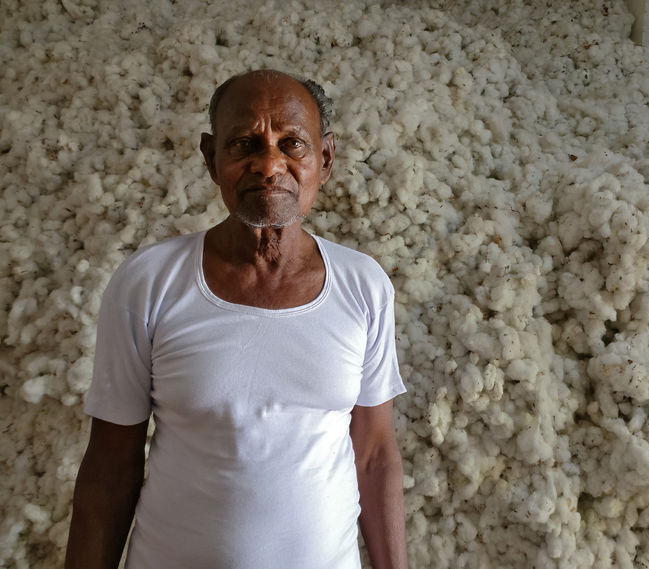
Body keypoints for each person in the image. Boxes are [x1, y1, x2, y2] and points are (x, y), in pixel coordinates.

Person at [65, 70, 408, 569]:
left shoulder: (363, 286)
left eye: (292, 144)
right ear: (211, 158)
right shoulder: (149, 282)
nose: (270, 166)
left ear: (326, 159)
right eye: (245, 143)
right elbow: (109, 469)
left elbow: (375, 457)